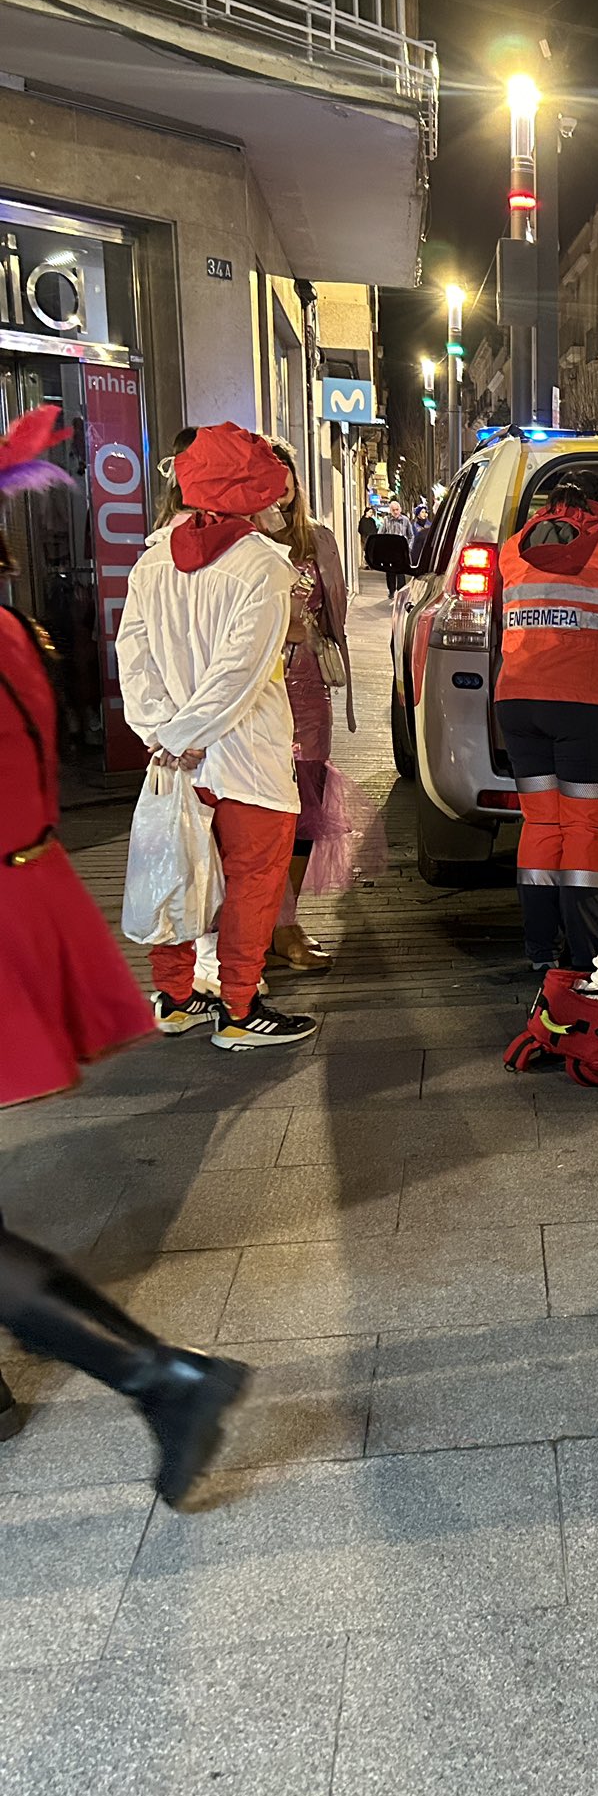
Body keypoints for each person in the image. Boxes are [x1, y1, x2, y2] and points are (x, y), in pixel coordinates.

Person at [0, 405, 249, 1503]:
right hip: (27, 882)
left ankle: (161, 1375)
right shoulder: (12, 628)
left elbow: (163, 662)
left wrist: (169, 728)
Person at [116, 422, 318, 1051]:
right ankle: (238, 1008)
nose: (277, 506)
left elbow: (132, 655)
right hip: (246, 755)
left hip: (177, 759)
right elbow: (243, 669)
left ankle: (175, 997)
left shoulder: (151, 560)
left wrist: (162, 733)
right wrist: (186, 732)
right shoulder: (262, 567)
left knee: (178, 867)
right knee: (254, 879)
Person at [496, 468, 598, 975]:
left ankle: (541, 951)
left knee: (543, 822)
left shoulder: (511, 548)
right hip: (584, 704)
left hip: (517, 702)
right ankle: (593, 956)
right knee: (588, 828)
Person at [265, 437, 356, 971]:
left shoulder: (316, 540)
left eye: (284, 478)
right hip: (256, 695)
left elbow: (333, 618)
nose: (277, 491)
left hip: (306, 691)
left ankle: (285, 919)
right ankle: (267, 923)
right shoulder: (237, 543)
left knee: (306, 810)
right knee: (262, 811)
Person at [373, 499, 411, 595]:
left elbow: (411, 535)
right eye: (393, 510)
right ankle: (391, 591)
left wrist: (408, 547)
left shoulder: (405, 520)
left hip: (401, 551)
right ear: (390, 510)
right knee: (390, 572)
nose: (395, 512)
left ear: (400, 509)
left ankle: (401, 591)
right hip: (389, 551)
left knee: (401, 571)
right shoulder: (387, 520)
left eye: (397, 509)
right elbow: (380, 533)